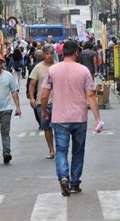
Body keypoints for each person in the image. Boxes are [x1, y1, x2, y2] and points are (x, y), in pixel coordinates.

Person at [40, 40, 103, 196]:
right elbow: (90, 95)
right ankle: (74, 183)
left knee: (61, 150)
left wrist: (44, 111)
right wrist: (97, 118)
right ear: (76, 52)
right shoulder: (84, 71)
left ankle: (63, 177)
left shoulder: (53, 70)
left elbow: (44, 94)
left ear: (62, 52)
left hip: (59, 117)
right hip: (79, 117)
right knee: (78, 151)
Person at [29, 44, 55, 159]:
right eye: (47, 54)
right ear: (44, 55)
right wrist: (32, 98)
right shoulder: (38, 67)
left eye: (51, 53)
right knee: (46, 127)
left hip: (57, 102)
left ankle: (60, 148)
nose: (49, 56)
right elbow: (32, 84)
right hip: (42, 102)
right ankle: (51, 149)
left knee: (59, 127)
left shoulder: (58, 66)